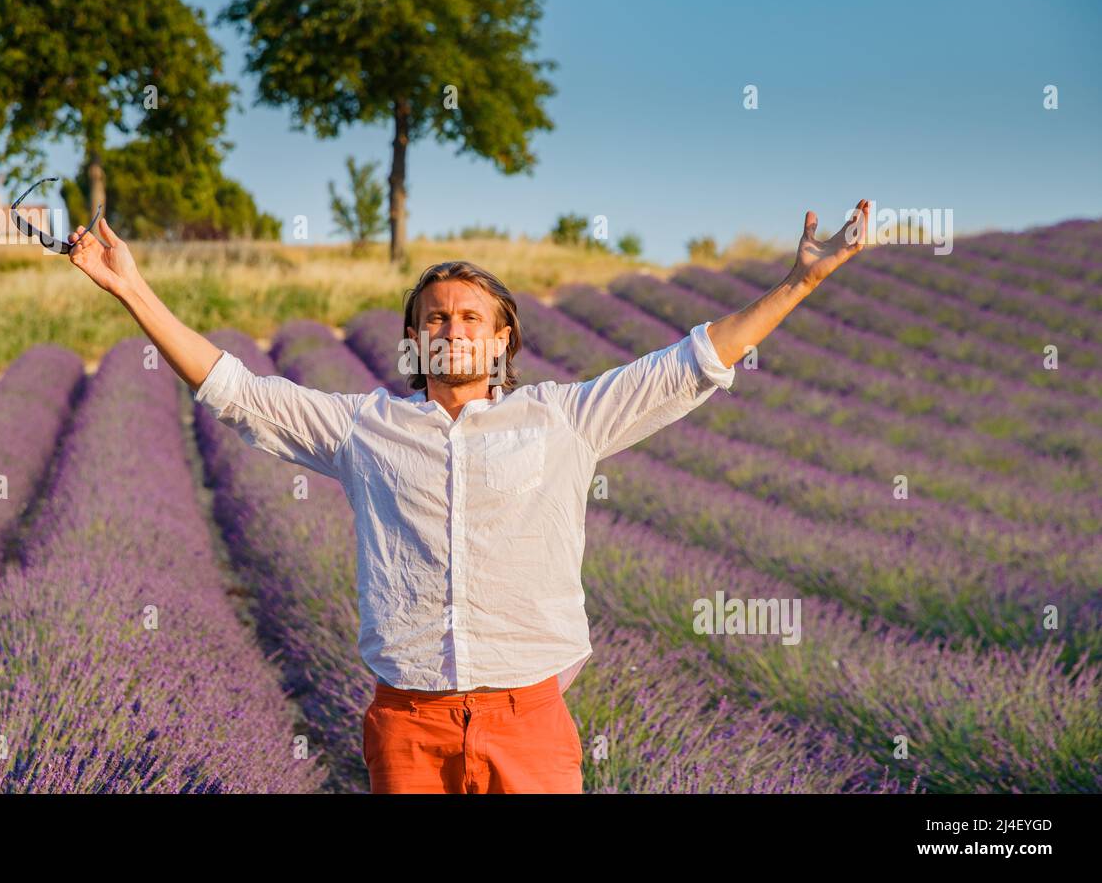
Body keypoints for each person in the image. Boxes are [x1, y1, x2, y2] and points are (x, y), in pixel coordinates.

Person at [65, 199, 873, 794]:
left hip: (529, 726)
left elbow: (691, 362)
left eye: (471, 317)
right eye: (435, 318)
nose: (453, 330)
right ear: (414, 340)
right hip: (407, 726)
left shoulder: (565, 418)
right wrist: (132, 289)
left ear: (502, 339)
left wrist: (799, 283)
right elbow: (234, 389)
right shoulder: (364, 427)